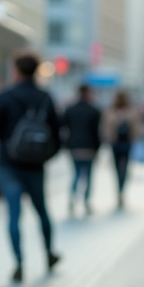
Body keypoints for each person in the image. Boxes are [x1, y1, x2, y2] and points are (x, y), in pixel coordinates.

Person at [0, 51, 62, 283]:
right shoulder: (45, 97)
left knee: (14, 215)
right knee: (42, 211)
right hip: (35, 167)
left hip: (9, 165)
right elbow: (58, 133)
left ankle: (19, 263)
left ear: (16, 70)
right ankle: (49, 254)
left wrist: (8, 138)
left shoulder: (6, 96)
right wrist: (44, 155)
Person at [60, 84, 101, 217]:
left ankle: (72, 198)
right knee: (88, 176)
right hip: (89, 147)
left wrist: (66, 143)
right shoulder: (93, 110)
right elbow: (96, 132)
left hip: (74, 147)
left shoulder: (70, 109)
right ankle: (86, 201)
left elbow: (62, 127)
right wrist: (97, 148)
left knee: (76, 174)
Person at [101, 90, 141, 211]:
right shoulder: (131, 111)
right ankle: (121, 188)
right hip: (125, 143)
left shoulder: (110, 111)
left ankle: (120, 188)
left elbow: (105, 127)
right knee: (124, 167)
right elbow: (136, 127)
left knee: (117, 167)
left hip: (116, 143)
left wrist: (109, 138)